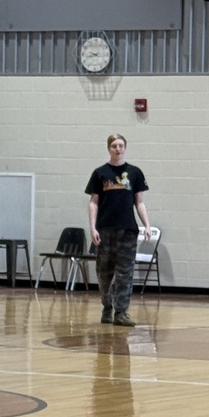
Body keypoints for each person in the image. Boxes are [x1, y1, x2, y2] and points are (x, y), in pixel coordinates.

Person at [85, 134, 151, 327]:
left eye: (121, 145)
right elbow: (93, 203)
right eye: (114, 145)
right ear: (109, 148)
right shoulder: (100, 173)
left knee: (125, 273)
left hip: (127, 230)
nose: (118, 149)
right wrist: (92, 228)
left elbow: (139, 202)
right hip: (104, 230)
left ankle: (121, 312)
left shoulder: (135, 172)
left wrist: (146, 224)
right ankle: (107, 307)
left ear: (125, 148)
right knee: (104, 273)